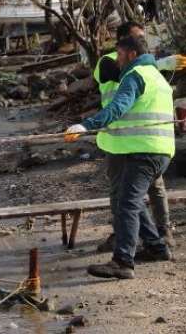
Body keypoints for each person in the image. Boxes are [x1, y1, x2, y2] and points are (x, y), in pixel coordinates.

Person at [65, 35, 174, 279]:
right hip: (161, 152)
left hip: (144, 150)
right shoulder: (157, 76)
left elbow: (117, 106)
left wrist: (86, 125)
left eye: (120, 55)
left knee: (126, 203)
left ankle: (123, 261)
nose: (117, 61)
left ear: (132, 54)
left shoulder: (135, 76)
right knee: (132, 201)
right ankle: (157, 248)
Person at [93, 21, 177, 251]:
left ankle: (162, 232)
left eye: (143, 38)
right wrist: (159, 64)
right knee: (121, 191)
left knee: (153, 188)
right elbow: (121, 73)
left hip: (143, 139)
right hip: (117, 138)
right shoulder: (109, 61)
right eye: (137, 38)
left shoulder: (145, 66)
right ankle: (124, 234)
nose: (143, 43)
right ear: (123, 42)